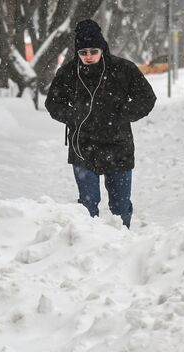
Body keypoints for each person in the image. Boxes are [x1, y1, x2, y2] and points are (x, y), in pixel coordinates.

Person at [45, 19, 156, 228]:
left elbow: (147, 97)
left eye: (93, 51)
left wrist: (123, 115)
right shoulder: (68, 73)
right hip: (82, 146)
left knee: (120, 206)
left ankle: (122, 241)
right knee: (87, 206)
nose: (88, 57)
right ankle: (88, 244)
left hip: (118, 145)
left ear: (102, 48)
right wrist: (73, 116)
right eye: (83, 52)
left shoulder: (123, 69)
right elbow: (53, 103)